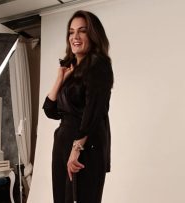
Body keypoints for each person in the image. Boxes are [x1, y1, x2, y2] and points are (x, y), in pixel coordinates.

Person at [43, 10, 114, 203]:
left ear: (93, 35)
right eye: (71, 32)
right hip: (63, 142)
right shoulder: (71, 70)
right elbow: (50, 110)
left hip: (85, 145)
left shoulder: (99, 65)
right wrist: (60, 79)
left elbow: (95, 110)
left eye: (82, 31)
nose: (75, 37)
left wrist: (77, 148)